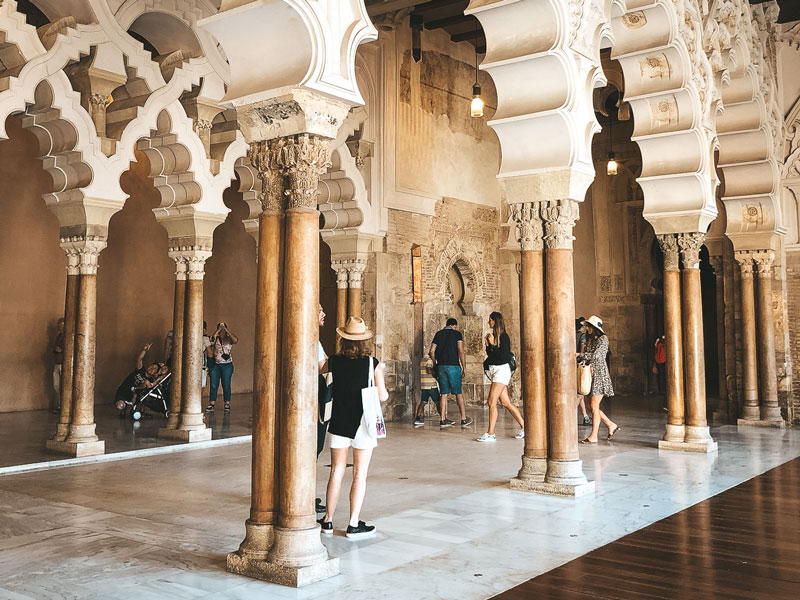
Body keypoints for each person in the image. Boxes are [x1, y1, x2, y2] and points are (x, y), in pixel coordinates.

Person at [319, 317, 388, 539]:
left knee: (336, 471)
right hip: (363, 424)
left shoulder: (335, 362)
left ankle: (327, 521)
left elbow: (320, 370)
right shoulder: (372, 363)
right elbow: (382, 395)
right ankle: (353, 523)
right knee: (359, 474)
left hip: (339, 421)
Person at [476, 311, 525, 442]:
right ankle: (524, 427)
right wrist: (488, 346)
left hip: (502, 371)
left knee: (491, 401)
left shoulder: (504, 337)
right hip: (494, 370)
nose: (488, 322)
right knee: (505, 402)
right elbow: (492, 357)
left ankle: (491, 433)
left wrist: (492, 345)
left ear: (495, 321)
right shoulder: (494, 336)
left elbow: (503, 357)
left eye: (490, 320)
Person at [579, 315, 620, 444]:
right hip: (590, 375)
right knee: (589, 406)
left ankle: (594, 436)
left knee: (594, 405)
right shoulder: (590, 339)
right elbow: (589, 355)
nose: (587, 328)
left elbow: (597, 356)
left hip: (600, 375)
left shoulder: (603, 339)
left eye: (589, 326)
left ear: (595, 327)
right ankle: (610, 425)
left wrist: (580, 355)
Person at [429, 318, 473, 428]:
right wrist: (464, 367)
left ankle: (443, 420)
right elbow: (460, 350)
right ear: (454, 326)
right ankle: (463, 418)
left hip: (441, 366)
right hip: (454, 366)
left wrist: (435, 363)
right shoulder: (457, 334)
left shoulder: (438, 334)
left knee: (443, 393)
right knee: (458, 393)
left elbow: (431, 351)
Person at [113, 343, 165, 415]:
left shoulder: (150, 381)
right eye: (152, 366)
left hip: (134, 396)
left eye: (155, 369)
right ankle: (124, 408)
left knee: (144, 385)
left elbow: (152, 385)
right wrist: (144, 350)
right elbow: (139, 359)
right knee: (120, 406)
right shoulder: (140, 369)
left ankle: (129, 405)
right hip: (123, 391)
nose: (152, 369)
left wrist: (159, 378)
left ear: (155, 373)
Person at [206, 322, 238, 412]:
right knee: (213, 384)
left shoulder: (229, 339)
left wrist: (226, 330)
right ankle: (211, 404)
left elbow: (235, 340)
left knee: (226, 384)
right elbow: (211, 339)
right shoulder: (216, 338)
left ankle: (227, 403)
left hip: (227, 365)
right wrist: (219, 330)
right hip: (216, 364)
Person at [316, 304, 330, 515]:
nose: (324, 313)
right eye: (319, 310)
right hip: (313, 403)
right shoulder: (312, 341)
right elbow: (323, 368)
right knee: (313, 449)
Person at [413, 356, 441, 427]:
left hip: (424, 385)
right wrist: (436, 371)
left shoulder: (423, 360)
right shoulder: (429, 360)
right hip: (431, 386)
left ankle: (417, 418)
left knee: (423, 402)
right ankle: (443, 418)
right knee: (438, 402)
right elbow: (428, 371)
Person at [575, 317, 592, 425]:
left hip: (572, 363)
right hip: (579, 363)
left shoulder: (571, 334)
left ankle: (585, 416)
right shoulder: (582, 336)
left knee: (579, 391)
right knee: (581, 392)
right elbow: (582, 348)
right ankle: (571, 414)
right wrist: (582, 358)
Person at [52, 318, 65, 413]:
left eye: (61, 326)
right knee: (56, 385)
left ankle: (63, 406)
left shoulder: (69, 336)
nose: (59, 327)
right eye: (59, 326)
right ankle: (60, 404)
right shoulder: (58, 336)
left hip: (64, 364)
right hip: (57, 363)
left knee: (64, 386)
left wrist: (62, 350)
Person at [653, 335, 667, 407]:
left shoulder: (658, 341)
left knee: (662, 378)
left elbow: (655, 353)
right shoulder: (661, 342)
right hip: (663, 362)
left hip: (660, 361)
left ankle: (663, 390)